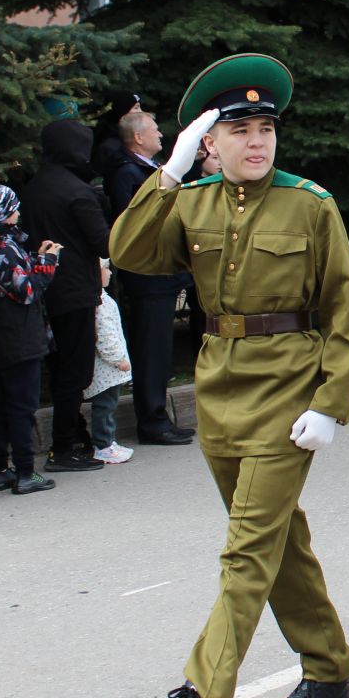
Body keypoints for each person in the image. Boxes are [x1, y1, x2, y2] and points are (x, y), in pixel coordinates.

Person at [114, 54, 349, 698]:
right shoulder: (189, 201)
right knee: (278, 542)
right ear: (211, 142)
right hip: (220, 392)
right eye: (239, 131)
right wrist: (168, 169)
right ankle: (328, 672)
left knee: (247, 549)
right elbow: (127, 251)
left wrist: (331, 404)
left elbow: (345, 311)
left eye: (266, 129)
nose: (257, 142)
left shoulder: (309, 204)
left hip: (288, 394)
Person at [22, 115, 114, 471]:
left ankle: (74, 435)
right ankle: (64, 447)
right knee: (75, 372)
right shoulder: (78, 192)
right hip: (75, 291)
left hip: (43, 288)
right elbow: (104, 242)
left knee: (59, 368)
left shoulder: (34, 187)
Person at [105, 106, 194, 446]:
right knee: (150, 349)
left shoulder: (148, 169)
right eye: (155, 130)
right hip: (148, 274)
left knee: (160, 347)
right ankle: (152, 421)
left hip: (162, 272)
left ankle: (159, 416)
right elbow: (138, 222)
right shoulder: (128, 173)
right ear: (138, 138)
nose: (160, 134)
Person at [0, 184, 60, 495]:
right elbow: (27, 291)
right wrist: (48, 263)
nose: (19, 213)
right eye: (15, 208)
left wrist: (35, 258)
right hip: (18, 338)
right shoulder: (2, 248)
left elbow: (9, 281)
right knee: (22, 405)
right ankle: (25, 472)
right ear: (5, 213)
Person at [87, 260, 135, 464]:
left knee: (108, 404)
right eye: (106, 270)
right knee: (105, 406)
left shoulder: (103, 300)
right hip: (106, 369)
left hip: (108, 369)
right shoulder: (100, 304)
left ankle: (108, 441)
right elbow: (106, 337)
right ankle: (103, 444)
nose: (110, 273)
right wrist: (119, 360)